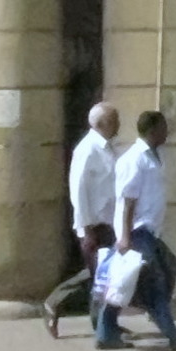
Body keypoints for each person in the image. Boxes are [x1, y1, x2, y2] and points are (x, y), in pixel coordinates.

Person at [96, 111, 176, 351]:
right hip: (137, 232)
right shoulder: (135, 159)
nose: (167, 132)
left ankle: (105, 333)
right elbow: (128, 200)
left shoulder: (154, 156)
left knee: (127, 282)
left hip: (151, 231)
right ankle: (173, 335)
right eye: (163, 128)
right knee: (155, 283)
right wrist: (125, 237)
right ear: (153, 130)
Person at [42, 102, 122, 338]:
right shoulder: (87, 149)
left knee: (101, 273)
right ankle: (97, 324)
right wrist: (86, 229)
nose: (118, 125)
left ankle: (102, 323)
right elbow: (78, 191)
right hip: (94, 224)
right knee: (101, 276)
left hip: (108, 222)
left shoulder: (107, 148)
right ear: (101, 124)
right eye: (114, 120)